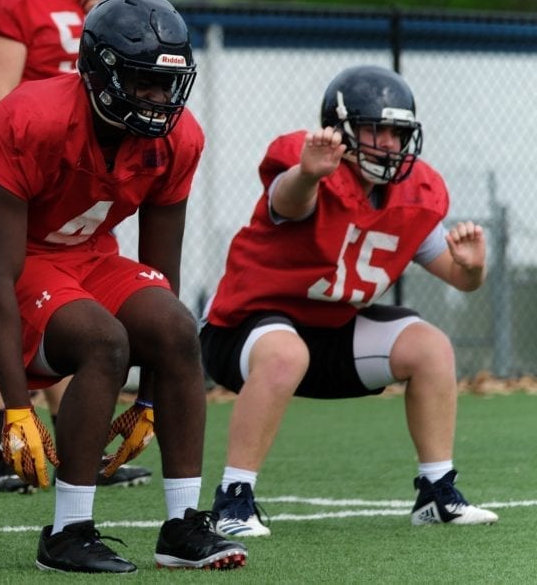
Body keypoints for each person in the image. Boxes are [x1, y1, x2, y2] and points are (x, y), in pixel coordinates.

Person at [0, 0, 248, 573]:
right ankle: (67, 531)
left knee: (177, 326)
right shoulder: (32, 116)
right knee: (102, 341)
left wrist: (153, 396)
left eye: (169, 84)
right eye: (143, 84)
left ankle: (182, 526)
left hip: (85, 256)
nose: (160, 99)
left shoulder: (178, 138)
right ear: (101, 72)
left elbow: (161, 275)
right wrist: (16, 408)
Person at [200, 64, 500, 537]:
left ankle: (436, 491)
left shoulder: (417, 191)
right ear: (339, 130)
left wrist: (474, 265)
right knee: (285, 351)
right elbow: (289, 201)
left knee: (430, 346)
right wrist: (306, 173)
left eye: (396, 132)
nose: (386, 143)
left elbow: (462, 280)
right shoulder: (307, 168)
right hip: (241, 331)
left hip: (330, 337)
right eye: (372, 129)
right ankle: (233, 500)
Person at [0, 0, 150, 493]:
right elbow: (1, 106)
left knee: (78, 318)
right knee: (14, 291)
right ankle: (11, 433)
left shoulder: (80, 1)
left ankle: (75, 445)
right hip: (27, 174)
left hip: (80, 175)